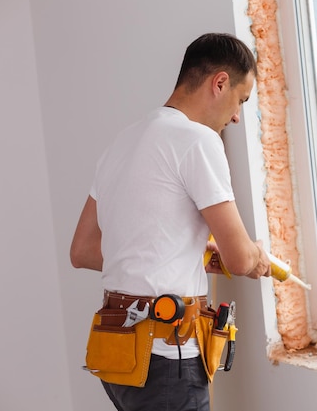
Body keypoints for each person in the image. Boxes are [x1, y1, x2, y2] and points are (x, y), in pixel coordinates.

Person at [70, 32, 271, 411]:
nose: (236, 117)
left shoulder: (122, 143)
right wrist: (258, 255)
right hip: (165, 361)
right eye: (240, 101)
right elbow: (241, 259)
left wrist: (185, 254)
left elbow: (82, 251)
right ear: (220, 82)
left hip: (118, 357)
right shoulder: (198, 140)